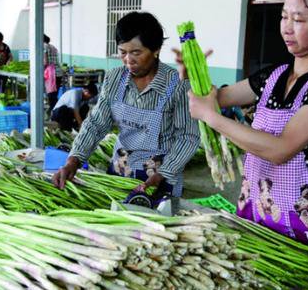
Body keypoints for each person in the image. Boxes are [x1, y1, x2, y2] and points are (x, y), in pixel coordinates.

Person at [177, 0, 308, 289]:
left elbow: (280, 148)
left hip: (305, 224)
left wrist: (213, 117)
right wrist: (193, 74)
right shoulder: (273, 76)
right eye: (284, 16)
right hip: (258, 213)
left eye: (299, 19)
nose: (287, 27)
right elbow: (216, 98)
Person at [53, 11, 200, 199]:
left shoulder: (178, 83)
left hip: (160, 178)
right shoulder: (115, 78)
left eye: (136, 52)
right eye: (123, 52)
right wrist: (73, 160)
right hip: (120, 171)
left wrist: (164, 173)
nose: (128, 60)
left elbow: (187, 136)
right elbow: (97, 123)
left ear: (156, 50)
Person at [43, 34, 59, 112]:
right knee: (55, 94)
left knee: (51, 94)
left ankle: (53, 111)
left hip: (51, 73)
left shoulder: (43, 46)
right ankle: (55, 109)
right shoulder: (53, 47)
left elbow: (45, 62)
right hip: (58, 72)